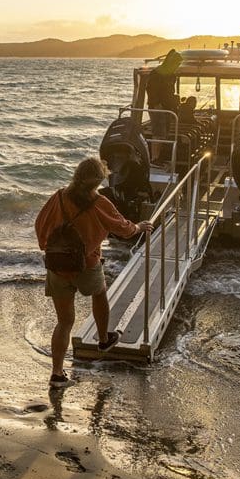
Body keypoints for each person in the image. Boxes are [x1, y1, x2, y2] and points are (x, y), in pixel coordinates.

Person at [34, 157, 154, 387]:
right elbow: (123, 228)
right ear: (98, 180)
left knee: (64, 322)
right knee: (99, 293)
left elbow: (40, 225)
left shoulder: (59, 196)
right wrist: (139, 226)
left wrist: (47, 246)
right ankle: (103, 339)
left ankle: (57, 374)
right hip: (86, 264)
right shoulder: (99, 202)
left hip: (57, 265)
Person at [146, 49, 183, 161]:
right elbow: (151, 90)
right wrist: (157, 104)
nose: (177, 65)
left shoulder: (172, 76)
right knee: (158, 133)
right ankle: (154, 158)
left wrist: (174, 105)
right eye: (177, 63)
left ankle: (159, 157)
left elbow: (170, 92)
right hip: (157, 108)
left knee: (164, 134)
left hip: (167, 108)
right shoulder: (156, 73)